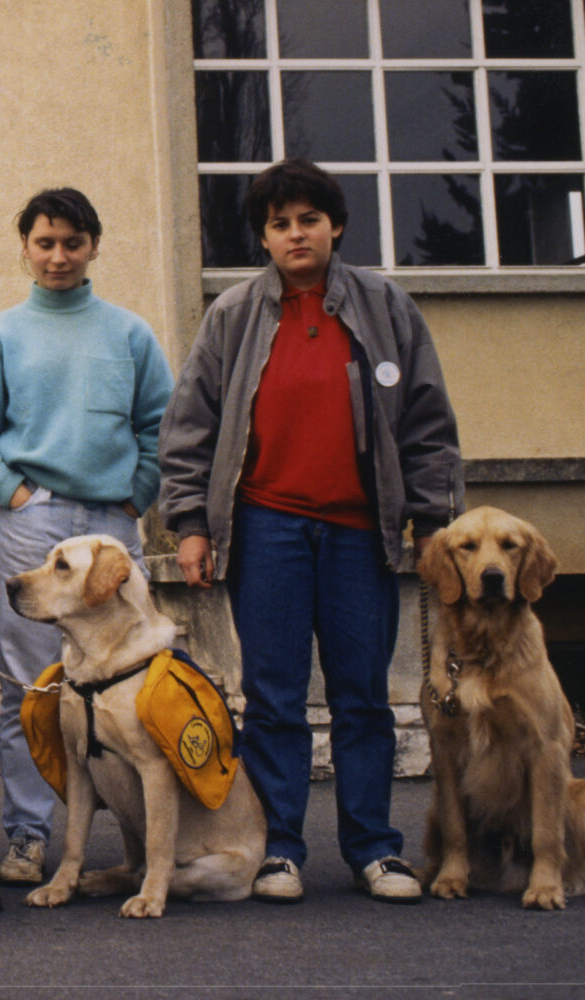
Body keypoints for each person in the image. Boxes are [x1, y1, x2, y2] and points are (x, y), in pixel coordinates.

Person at [158, 157, 463, 905]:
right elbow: (189, 428)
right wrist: (192, 526)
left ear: (335, 227)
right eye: (280, 224)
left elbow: (427, 422)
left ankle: (374, 850)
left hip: (363, 532)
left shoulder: (387, 307)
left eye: (308, 221)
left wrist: (434, 522)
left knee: (362, 697)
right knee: (273, 697)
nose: (295, 235)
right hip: (267, 530)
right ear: (264, 236)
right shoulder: (233, 315)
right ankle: (280, 851)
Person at [0, 186, 174, 888]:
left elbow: (161, 423)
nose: (59, 255)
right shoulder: (0, 335)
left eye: (72, 242)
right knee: (35, 688)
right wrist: (15, 492)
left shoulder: (129, 334)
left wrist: (136, 497)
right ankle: (31, 836)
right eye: (45, 242)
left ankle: (136, 835)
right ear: (25, 249)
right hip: (30, 526)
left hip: (110, 529)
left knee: (132, 683)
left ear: (93, 246)